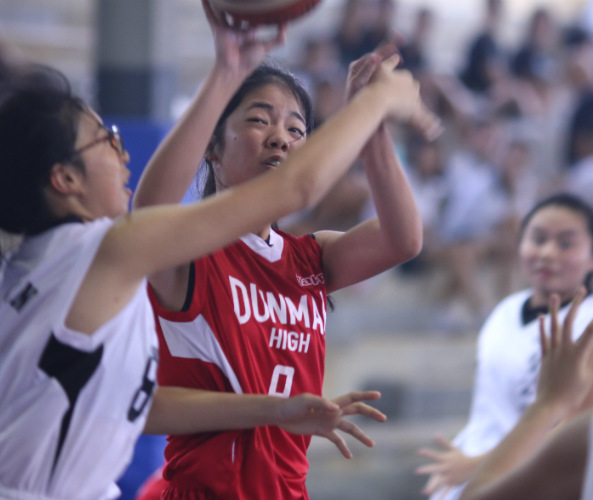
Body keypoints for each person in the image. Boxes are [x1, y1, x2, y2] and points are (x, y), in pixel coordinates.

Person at [0, 9, 439, 499]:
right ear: (63, 178)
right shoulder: (114, 252)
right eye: (104, 137)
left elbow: (142, 402)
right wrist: (374, 106)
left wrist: (274, 410)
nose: (121, 146)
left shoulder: (41, 263)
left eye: (296, 128)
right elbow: (290, 189)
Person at [130, 3, 440, 497]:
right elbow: (148, 213)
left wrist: (374, 133)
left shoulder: (308, 257)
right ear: (213, 148)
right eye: (260, 120)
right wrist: (227, 70)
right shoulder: (189, 250)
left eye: (297, 129)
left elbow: (404, 239)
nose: (281, 137)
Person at [416, 193, 593, 500]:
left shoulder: (590, 321)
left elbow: (578, 431)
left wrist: (476, 465)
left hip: (531, 478)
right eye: (537, 239)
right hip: (470, 468)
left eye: (566, 243)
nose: (547, 252)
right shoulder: (505, 310)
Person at [458, 289, 593, 500]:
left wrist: (550, 403)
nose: (546, 255)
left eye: (565, 252)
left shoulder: (584, 435)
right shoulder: (507, 309)